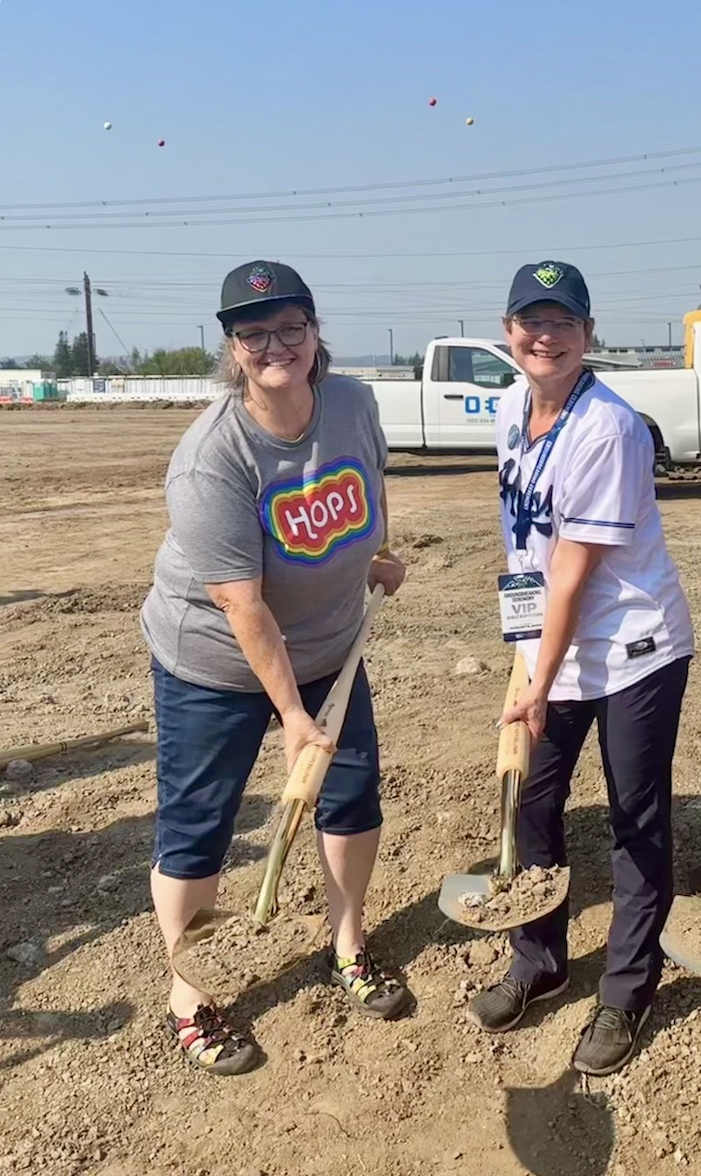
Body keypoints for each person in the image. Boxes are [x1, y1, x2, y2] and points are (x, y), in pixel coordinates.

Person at [140, 260, 413, 1076]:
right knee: (200, 823)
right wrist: (293, 717)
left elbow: (365, 483)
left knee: (352, 793)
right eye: (254, 333)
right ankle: (189, 993)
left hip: (331, 645)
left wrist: (375, 554)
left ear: (314, 330)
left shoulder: (354, 402)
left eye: (290, 327)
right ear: (232, 347)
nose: (275, 346)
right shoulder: (211, 457)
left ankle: (348, 941)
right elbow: (241, 605)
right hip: (215, 661)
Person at [466, 260, 694, 1077]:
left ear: (587, 335)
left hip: (633, 649)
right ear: (508, 330)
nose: (546, 336)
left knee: (635, 816)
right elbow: (524, 548)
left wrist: (537, 676)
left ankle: (628, 988)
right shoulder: (507, 410)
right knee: (532, 796)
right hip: (552, 642)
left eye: (563, 323)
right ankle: (539, 959)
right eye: (532, 320)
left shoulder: (610, 427)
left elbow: (573, 568)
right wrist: (524, 657)